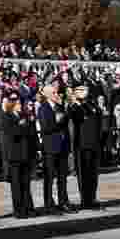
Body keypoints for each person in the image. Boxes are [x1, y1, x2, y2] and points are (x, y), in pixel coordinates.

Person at [38, 84, 76, 214]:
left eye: (56, 92)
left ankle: (63, 201)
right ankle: (49, 204)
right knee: (49, 177)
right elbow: (46, 128)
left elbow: (66, 122)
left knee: (62, 176)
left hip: (62, 145)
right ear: (47, 94)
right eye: (53, 93)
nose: (56, 94)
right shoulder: (43, 108)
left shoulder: (60, 107)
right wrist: (58, 121)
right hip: (50, 147)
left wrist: (65, 111)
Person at [68, 82, 103, 210]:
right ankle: (85, 200)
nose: (85, 92)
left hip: (94, 143)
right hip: (82, 145)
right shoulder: (76, 107)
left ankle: (92, 198)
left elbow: (98, 117)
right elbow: (72, 114)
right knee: (84, 174)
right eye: (82, 90)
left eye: (86, 90)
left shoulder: (92, 105)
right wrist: (75, 101)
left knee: (93, 174)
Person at [0, 92, 33, 218]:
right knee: (16, 184)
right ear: (12, 105)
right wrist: (21, 126)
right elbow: (12, 133)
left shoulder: (23, 116)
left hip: (25, 153)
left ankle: (27, 207)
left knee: (25, 183)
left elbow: (29, 131)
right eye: (18, 103)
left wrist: (23, 126)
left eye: (20, 103)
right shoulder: (6, 116)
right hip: (14, 155)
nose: (20, 106)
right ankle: (18, 210)